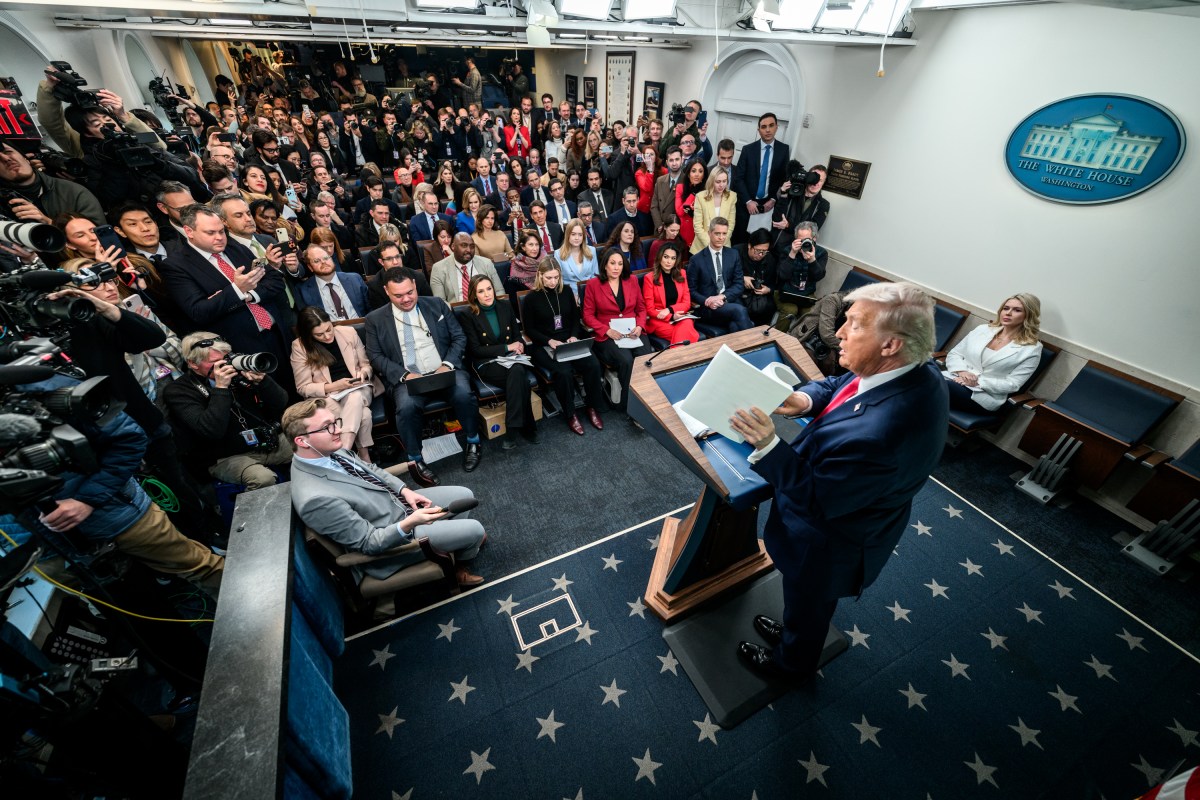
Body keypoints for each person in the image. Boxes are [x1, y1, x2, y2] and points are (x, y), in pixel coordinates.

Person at [728, 282, 948, 682]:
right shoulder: (913, 368)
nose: (839, 333)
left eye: (855, 325)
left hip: (831, 540)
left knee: (810, 602)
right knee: (804, 602)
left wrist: (767, 443)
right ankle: (795, 633)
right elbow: (844, 388)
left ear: (890, 345)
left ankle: (791, 667)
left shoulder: (881, 435)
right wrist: (805, 399)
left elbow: (815, 498)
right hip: (852, 511)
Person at [285, 398, 485, 595]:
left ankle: (458, 546)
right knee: (476, 530)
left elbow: (370, 469)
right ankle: (460, 561)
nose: (337, 430)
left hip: (397, 503)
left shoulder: (323, 451)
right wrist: (409, 523)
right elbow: (369, 543)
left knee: (464, 495)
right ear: (301, 441)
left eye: (335, 422)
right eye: (327, 427)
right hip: (394, 541)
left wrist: (404, 491)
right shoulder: (315, 499)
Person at [363, 268, 484, 484]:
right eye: (398, 295)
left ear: (415, 286)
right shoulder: (375, 319)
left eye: (410, 292)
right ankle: (415, 459)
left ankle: (473, 440)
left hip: (445, 370)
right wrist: (404, 375)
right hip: (408, 378)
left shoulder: (436, 304)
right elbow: (375, 356)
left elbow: (458, 337)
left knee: (464, 394)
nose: (406, 299)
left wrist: (447, 365)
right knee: (407, 408)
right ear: (386, 292)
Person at [158, 204, 292, 368]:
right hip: (239, 349)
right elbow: (199, 311)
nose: (220, 237)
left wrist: (249, 295)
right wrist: (237, 289)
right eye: (210, 233)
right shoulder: (175, 266)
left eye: (221, 231)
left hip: (277, 333)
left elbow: (274, 280)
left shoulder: (235, 247)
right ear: (189, 231)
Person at [163, 331, 293, 490]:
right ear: (193, 363)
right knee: (263, 479)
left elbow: (281, 403)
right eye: (215, 361)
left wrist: (263, 381)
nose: (225, 364)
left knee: (315, 444)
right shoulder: (178, 391)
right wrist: (221, 388)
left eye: (226, 357)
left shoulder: (238, 371)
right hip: (226, 456)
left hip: (267, 442)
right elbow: (211, 430)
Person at [524, 260, 607, 436]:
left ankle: (592, 406)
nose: (553, 282)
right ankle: (571, 413)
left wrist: (574, 336)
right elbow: (529, 329)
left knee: (593, 364)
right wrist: (549, 341)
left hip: (570, 341)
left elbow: (576, 319)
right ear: (540, 276)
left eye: (556, 277)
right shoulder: (531, 298)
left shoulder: (567, 291)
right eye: (548, 278)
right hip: (545, 345)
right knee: (564, 372)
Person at [459, 275, 539, 450]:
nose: (487, 294)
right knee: (520, 378)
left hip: (511, 358)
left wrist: (519, 346)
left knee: (517, 373)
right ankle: (525, 427)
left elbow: (517, 335)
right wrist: (507, 346)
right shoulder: (468, 315)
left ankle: (513, 429)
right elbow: (475, 350)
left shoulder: (505, 306)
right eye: (481, 291)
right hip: (486, 363)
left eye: (489, 289)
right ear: (474, 295)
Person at [290, 307, 380, 460]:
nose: (327, 336)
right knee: (364, 414)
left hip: (359, 387)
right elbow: (303, 387)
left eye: (329, 329)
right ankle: (364, 458)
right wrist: (335, 386)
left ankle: (343, 453)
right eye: (319, 334)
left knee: (355, 396)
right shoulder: (300, 346)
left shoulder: (348, 332)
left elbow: (366, 365)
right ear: (308, 334)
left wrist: (363, 373)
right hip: (328, 397)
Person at [943, 294, 1043, 414]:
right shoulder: (982, 329)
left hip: (982, 395)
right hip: (954, 379)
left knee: (937, 385)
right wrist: (962, 372)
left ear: (1028, 315)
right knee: (925, 374)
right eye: (1006, 308)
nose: (1008, 313)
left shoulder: (1032, 348)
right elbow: (955, 354)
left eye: (1017, 310)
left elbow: (1013, 384)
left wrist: (977, 382)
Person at [582, 247, 652, 414]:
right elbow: (587, 315)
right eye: (612, 263)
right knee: (626, 361)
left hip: (632, 330)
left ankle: (648, 398)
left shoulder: (632, 280)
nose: (616, 267)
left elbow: (642, 308)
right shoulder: (593, 284)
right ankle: (630, 407)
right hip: (608, 336)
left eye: (620, 264)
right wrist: (606, 330)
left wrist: (640, 325)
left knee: (645, 358)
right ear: (605, 265)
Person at [686, 216, 753, 333]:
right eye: (717, 233)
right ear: (709, 233)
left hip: (729, 301)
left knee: (735, 326)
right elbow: (691, 290)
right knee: (740, 312)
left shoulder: (733, 254)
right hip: (709, 308)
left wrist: (722, 296)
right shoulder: (696, 260)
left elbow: (738, 284)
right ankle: (756, 348)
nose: (721, 238)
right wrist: (708, 301)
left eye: (724, 234)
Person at [733, 113, 790, 244]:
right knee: (741, 240)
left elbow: (783, 179)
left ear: (777, 127)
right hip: (747, 204)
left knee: (761, 242)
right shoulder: (748, 150)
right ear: (759, 130)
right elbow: (739, 178)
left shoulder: (784, 150)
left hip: (768, 205)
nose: (768, 130)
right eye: (764, 127)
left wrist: (774, 199)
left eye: (771, 126)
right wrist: (748, 201)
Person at [774, 220, 828, 330]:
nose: (802, 243)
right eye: (799, 240)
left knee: (811, 314)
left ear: (814, 239)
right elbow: (782, 276)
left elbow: (818, 277)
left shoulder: (821, 253)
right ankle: (776, 337)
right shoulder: (788, 250)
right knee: (790, 310)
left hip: (807, 294)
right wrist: (792, 254)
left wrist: (812, 261)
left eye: (806, 240)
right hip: (786, 292)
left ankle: (799, 340)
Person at [642, 242, 698, 346]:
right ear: (660, 257)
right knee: (687, 335)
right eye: (666, 257)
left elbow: (686, 303)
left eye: (673, 258)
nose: (669, 261)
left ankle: (677, 360)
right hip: (660, 321)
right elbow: (650, 309)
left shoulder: (682, 274)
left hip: (680, 317)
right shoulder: (649, 278)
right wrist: (671, 317)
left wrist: (670, 310)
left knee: (687, 323)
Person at [296, 243, 369, 321]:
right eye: (316, 261)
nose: (323, 262)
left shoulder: (354, 279)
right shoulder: (303, 290)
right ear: (310, 267)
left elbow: (371, 308)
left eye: (326, 258)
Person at [430, 233, 507, 304]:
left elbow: (499, 291)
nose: (469, 250)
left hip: (485, 308)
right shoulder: (438, 269)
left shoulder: (486, 263)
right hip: (456, 313)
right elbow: (440, 302)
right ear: (453, 247)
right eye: (464, 245)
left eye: (472, 246)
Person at [736, 229, 779, 326]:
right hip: (738, 293)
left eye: (764, 251)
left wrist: (768, 289)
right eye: (757, 251)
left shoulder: (769, 259)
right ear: (749, 245)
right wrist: (741, 278)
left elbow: (773, 284)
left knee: (770, 306)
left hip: (758, 298)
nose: (760, 255)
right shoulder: (736, 253)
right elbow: (725, 276)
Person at [692, 166, 738, 255]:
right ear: (712, 181)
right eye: (718, 182)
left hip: (724, 246)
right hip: (702, 247)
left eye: (724, 181)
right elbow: (697, 226)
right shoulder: (700, 197)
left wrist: (720, 244)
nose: (722, 185)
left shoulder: (732, 196)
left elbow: (731, 224)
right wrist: (711, 245)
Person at [554, 219, 599, 299]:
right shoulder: (558, 254)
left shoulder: (592, 250)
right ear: (568, 235)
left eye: (580, 235)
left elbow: (595, 275)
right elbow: (559, 281)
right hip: (569, 295)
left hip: (591, 293)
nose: (577, 238)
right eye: (573, 234)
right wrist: (572, 296)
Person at [676, 160, 707, 251]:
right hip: (683, 233)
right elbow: (680, 212)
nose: (697, 174)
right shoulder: (680, 188)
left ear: (704, 175)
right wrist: (693, 194)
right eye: (693, 171)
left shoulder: (707, 191)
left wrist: (694, 214)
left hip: (700, 234)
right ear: (689, 174)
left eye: (700, 171)